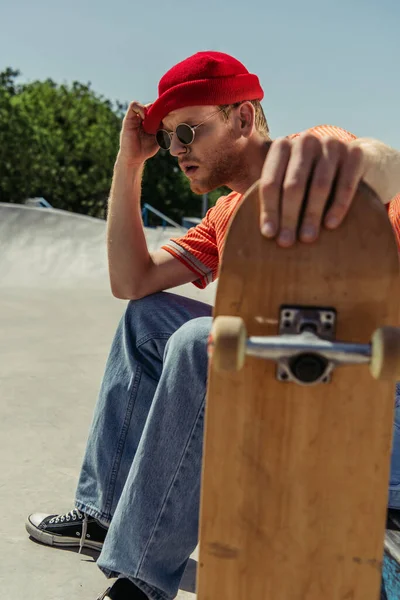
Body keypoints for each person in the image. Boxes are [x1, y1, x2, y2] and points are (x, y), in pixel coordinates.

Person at [25, 51, 400, 600]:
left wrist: (367, 160)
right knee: (149, 320)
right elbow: (132, 280)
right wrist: (129, 164)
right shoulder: (228, 212)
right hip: (314, 386)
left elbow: (381, 166)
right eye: (168, 137)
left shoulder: (310, 155)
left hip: (380, 405)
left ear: (243, 120)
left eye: (188, 132)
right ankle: (104, 514)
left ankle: (138, 584)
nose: (175, 150)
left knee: (202, 342)